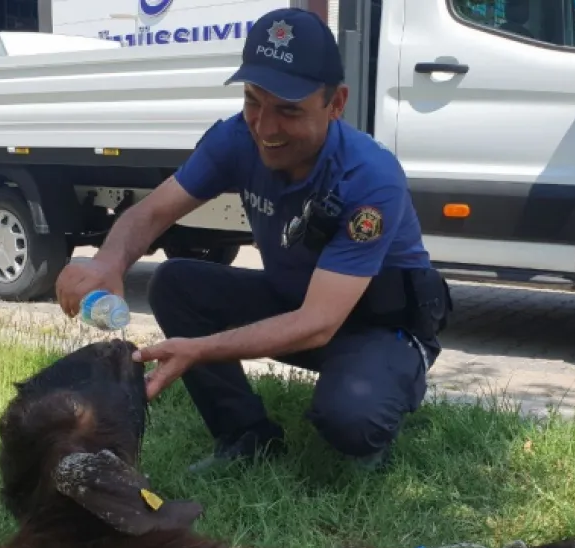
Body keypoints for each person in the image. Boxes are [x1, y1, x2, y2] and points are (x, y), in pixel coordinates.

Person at [55, 7, 452, 473]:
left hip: (379, 325)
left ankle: (389, 381)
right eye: (252, 100)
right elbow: (151, 211)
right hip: (298, 303)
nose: (265, 127)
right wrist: (108, 262)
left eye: (288, 110)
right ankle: (246, 436)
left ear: (336, 103)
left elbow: (320, 322)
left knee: (351, 420)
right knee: (175, 283)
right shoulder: (236, 138)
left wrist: (198, 350)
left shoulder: (369, 177)